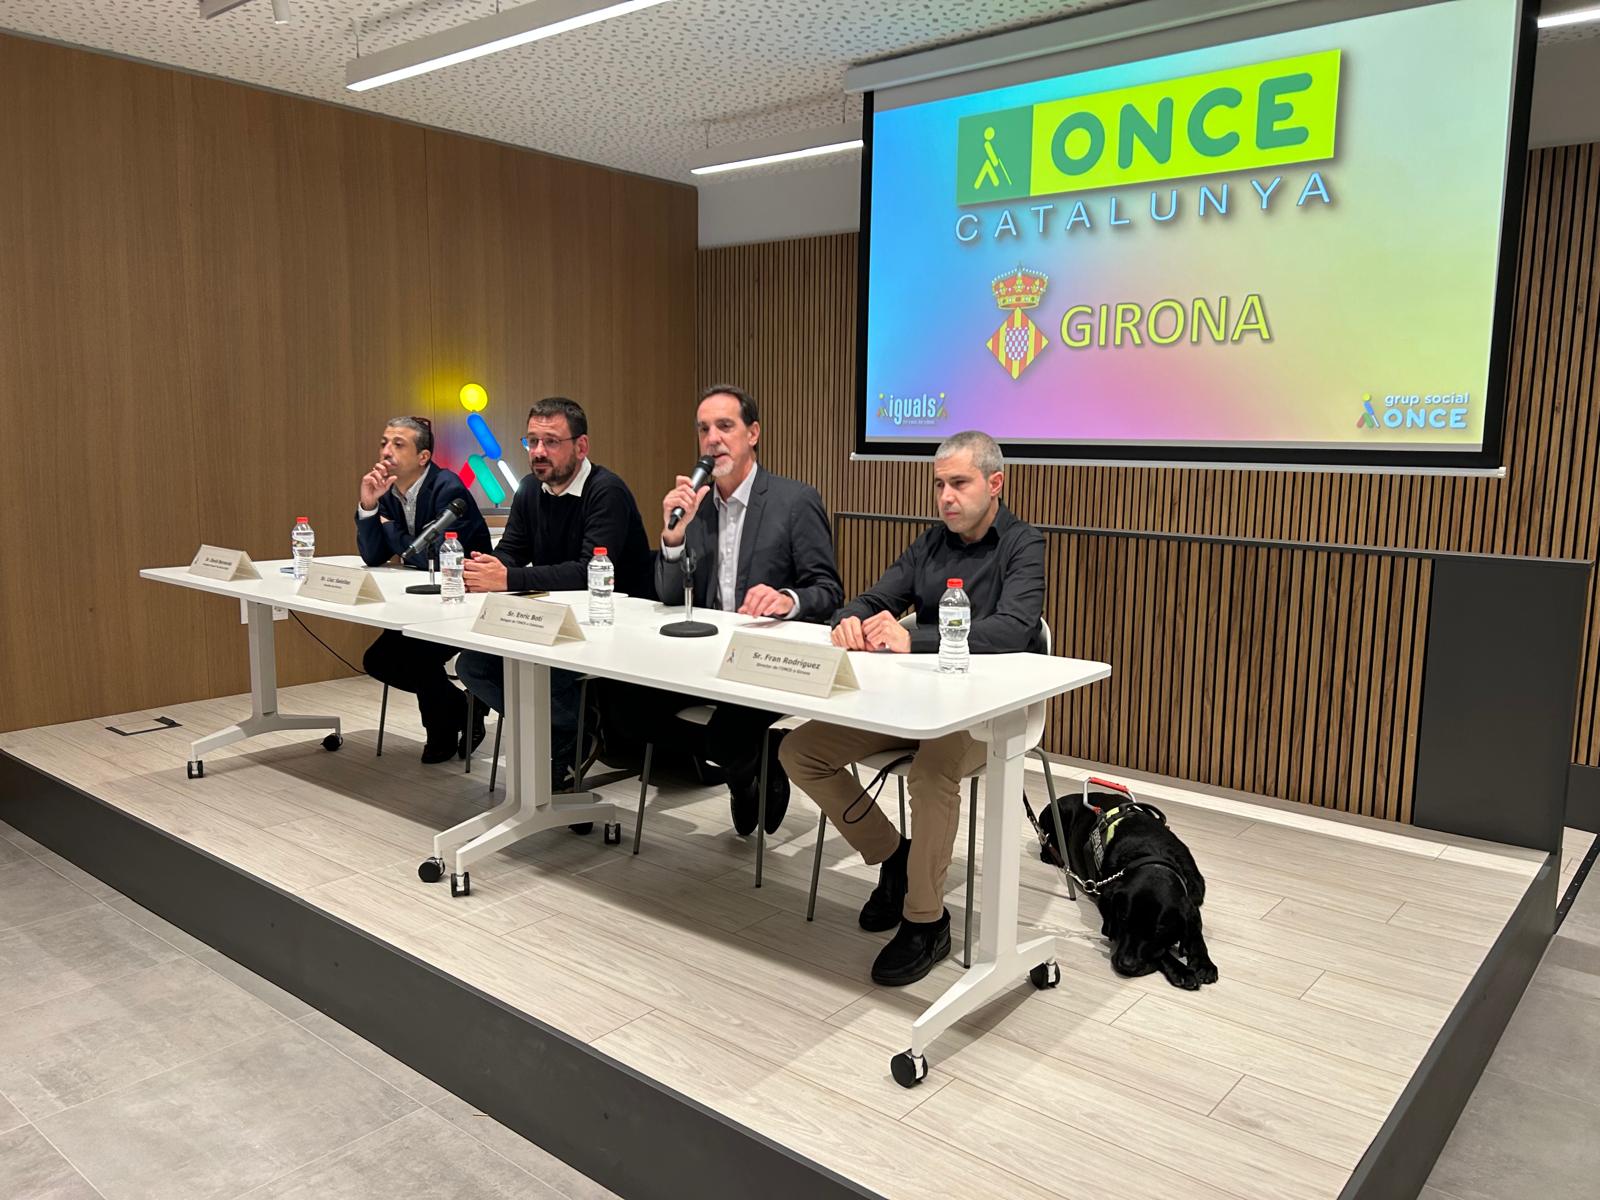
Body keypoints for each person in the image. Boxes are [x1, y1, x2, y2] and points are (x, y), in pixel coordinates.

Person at [778, 431, 1045, 986]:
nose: (946, 497)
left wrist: (913, 638)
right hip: (907, 706)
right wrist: (850, 620)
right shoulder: (930, 542)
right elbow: (872, 599)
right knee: (800, 750)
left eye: (959, 483)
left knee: (930, 773)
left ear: (995, 484)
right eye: (939, 485)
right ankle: (893, 855)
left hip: (982, 716)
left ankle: (927, 920)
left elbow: (1016, 630)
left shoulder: (1023, 543)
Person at [613, 384, 843, 837]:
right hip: (698, 657)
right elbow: (664, 593)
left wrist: (787, 601)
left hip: (761, 659)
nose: (712, 438)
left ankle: (748, 766)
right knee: (622, 707)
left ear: (753, 433)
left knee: (724, 734)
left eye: (725, 426)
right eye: (703, 429)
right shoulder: (693, 508)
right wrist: (673, 537)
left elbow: (828, 591)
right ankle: (756, 758)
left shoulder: (793, 502)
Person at [454, 397, 652, 786]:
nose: (538, 452)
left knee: (547, 674)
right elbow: (512, 551)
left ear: (581, 446)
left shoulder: (606, 492)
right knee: (473, 667)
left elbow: (588, 572)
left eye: (551, 442)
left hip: (611, 622)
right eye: (531, 442)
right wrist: (485, 568)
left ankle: (569, 736)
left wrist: (507, 579)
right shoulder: (530, 489)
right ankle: (571, 727)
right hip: (553, 620)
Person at [355, 415, 492, 763]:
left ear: (423, 457)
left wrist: (393, 536)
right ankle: (462, 708)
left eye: (398, 444)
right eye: (384, 442)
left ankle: (441, 729)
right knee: (379, 660)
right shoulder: (387, 491)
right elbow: (373, 555)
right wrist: (370, 506)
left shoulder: (448, 488)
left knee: (413, 658)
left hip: (465, 601)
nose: (386, 452)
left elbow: (434, 556)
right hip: (419, 602)